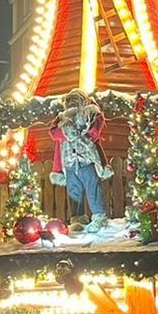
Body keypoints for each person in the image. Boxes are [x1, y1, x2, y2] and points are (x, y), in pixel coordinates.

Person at [48, 89, 112, 232]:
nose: (72, 104)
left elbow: (94, 132)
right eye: (69, 101)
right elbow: (54, 133)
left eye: (75, 100)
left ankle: (99, 216)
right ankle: (78, 218)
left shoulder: (91, 113)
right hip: (69, 162)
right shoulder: (62, 118)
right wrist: (68, 133)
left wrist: (79, 134)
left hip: (86, 160)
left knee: (92, 188)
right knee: (74, 191)